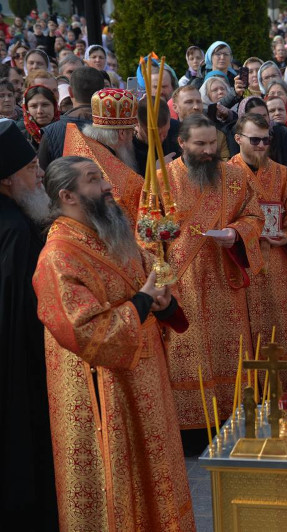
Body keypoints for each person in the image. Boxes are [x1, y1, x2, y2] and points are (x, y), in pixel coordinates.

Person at [33, 156, 195, 530]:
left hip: (147, 382)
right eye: (93, 181)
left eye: (103, 178)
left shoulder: (111, 231)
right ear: (68, 195)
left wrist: (163, 303)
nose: (107, 187)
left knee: (158, 478)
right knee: (119, 488)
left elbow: (149, 283)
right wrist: (141, 302)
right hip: (104, 392)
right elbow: (83, 331)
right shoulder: (58, 256)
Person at [158, 114, 265, 437]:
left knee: (229, 354)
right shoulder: (162, 180)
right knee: (186, 354)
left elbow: (254, 215)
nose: (208, 151)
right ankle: (191, 430)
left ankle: (232, 422)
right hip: (181, 283)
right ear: (182, 143)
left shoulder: (234, 177)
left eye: (212, 144)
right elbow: (145, 233)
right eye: (199, 144)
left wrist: (235, 233)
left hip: (223, 278)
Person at [0, 122, 58, 531]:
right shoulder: (16, 231)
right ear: (5, 180)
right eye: (28, 168)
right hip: (15, 367)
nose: (39, 174)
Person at [229, 113, 287, 388]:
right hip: (241, 261)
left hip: (275, 260)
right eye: (255, 140)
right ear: (238, 138)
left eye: (266, 140)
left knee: (280, 325)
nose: (262, 145)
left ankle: (284, 391)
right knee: (245, 326)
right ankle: (249, 390)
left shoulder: (282, 173)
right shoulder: (226, 174)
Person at [62, 88, 143, 226]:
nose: (132, 138)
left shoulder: (83, 145)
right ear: (122, 134)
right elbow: (129, 202)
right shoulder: (100, 160)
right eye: (131, 133)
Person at [38, 66, 105, 169]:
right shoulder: (119, 129)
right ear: (102, 93)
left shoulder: (51, 132)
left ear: (70, 92)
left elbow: (42, 175)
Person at [19, 84, 59, 149]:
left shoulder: (66, 131)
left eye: (45, 105)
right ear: (26, 109)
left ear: (54, 106)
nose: (39, 111)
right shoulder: (21, 138)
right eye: (34, 106)